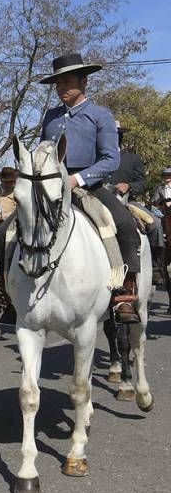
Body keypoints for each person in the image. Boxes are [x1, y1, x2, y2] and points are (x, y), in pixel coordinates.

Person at [39, 52, 140, 324]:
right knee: (7, 231)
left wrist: (76, 179)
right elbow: (42, 152)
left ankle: (124, 294)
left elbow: (110, 159)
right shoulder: (50, 117)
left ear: (84, 82)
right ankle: (8, 292)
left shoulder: (100, 115)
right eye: (58, 84)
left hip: (89, 186)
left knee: (126, 227)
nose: (61, 88)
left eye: (67, 82)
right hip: (51, 187)